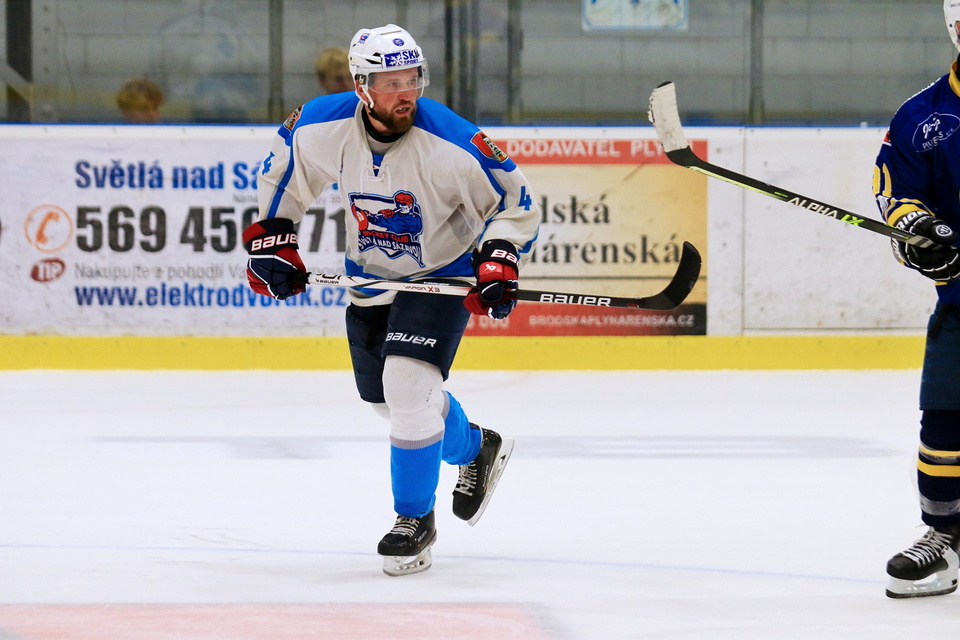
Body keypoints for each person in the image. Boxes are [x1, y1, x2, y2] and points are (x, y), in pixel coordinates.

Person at [243, 24, 540, 576]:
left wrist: (499, 257)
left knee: (406, 386)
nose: (405, 93)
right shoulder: (319, 125)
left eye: (412, 79)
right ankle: (476, 447)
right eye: (390, 82)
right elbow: (285, 180)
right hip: (371, 277)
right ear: (361, 86)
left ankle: (414, 521)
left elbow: (515, 202)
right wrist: (275, 240)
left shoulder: (451, 140)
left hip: (442, 273)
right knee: (393, 403)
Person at [874, 0, 960, 599]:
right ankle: (945, 537)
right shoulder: (922, 116)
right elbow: (898, 196)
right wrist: (920, 235)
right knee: (945, 420)